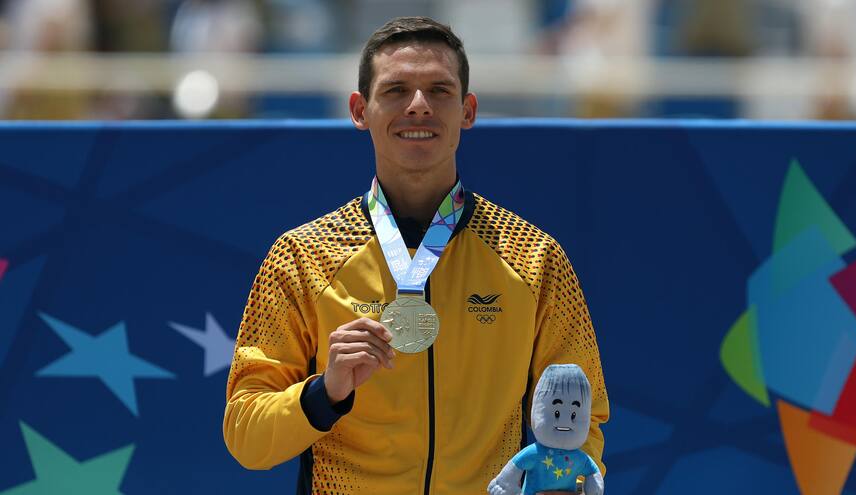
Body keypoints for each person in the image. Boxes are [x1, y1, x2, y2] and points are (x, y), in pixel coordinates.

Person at [223, 16, 609, 495]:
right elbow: (245, 434)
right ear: (360, 110)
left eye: (440, 91)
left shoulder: (534, 257)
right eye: (396, 90)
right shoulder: (302, 257)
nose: (419, 106)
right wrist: (327, 392)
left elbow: (581, 415)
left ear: (468, 111)